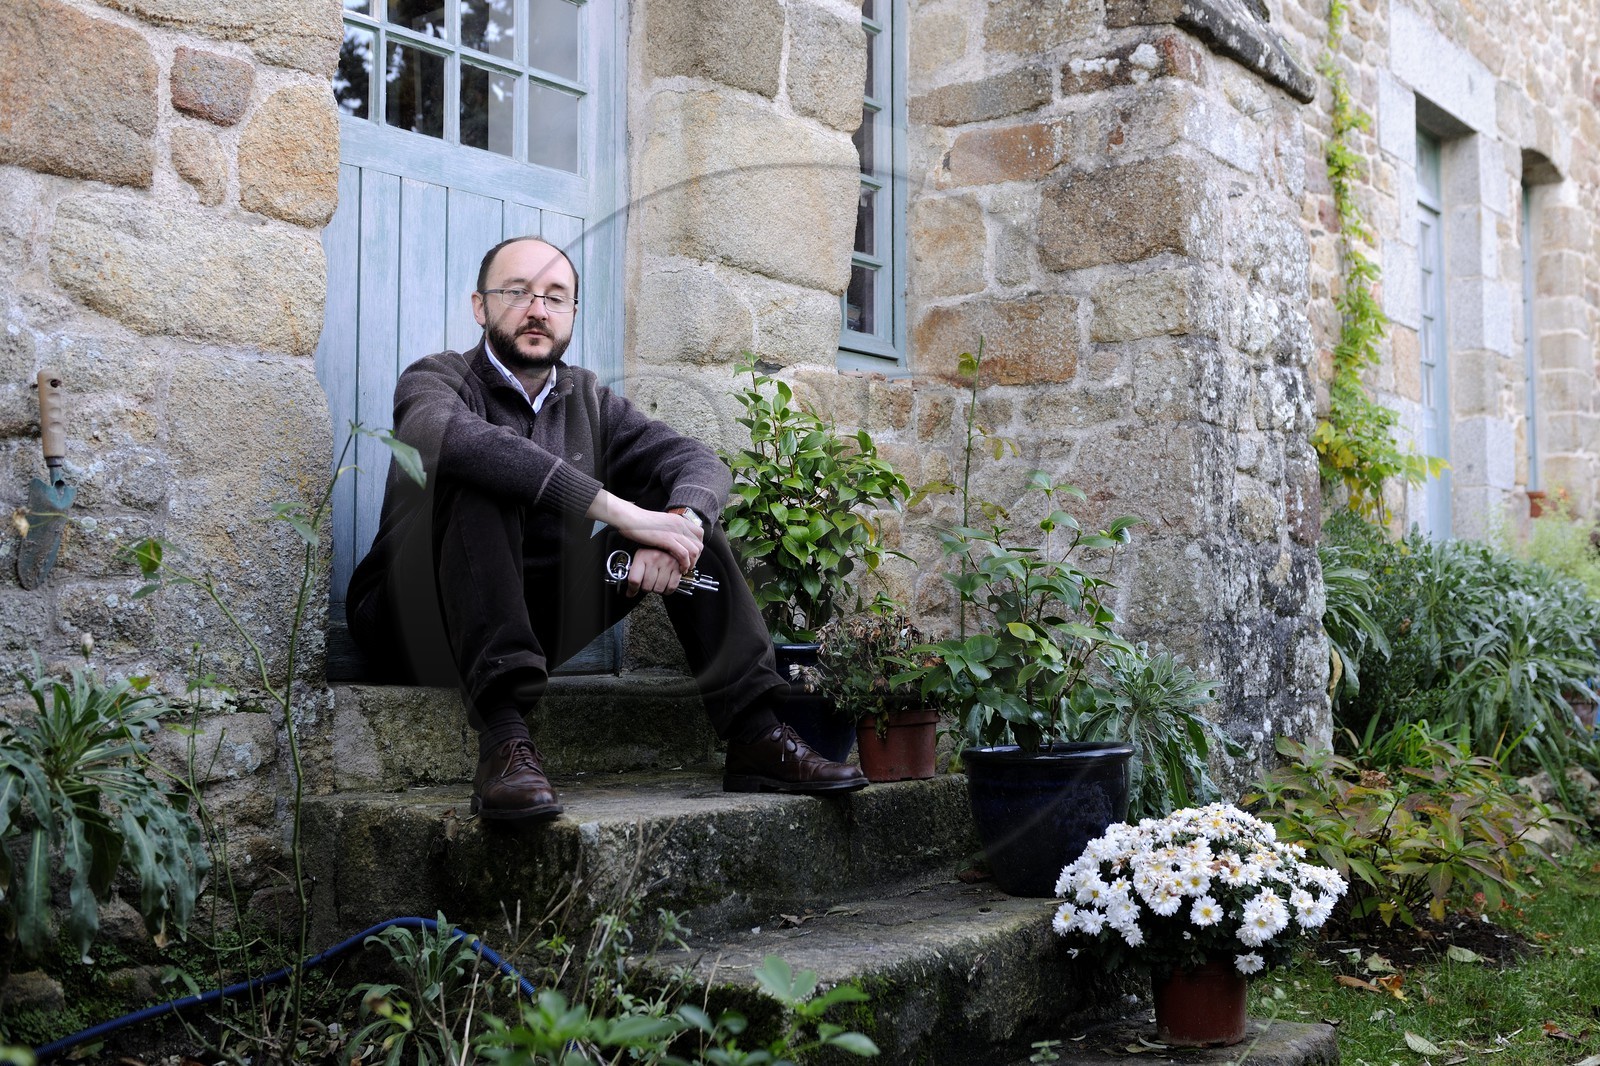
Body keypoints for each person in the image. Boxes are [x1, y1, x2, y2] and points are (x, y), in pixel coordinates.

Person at [346, 236, 868, 823]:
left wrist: (678, 527)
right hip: (412, 626)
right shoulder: (436, 378)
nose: (537, 310)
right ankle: (504, 742)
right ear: (480, 305)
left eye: (555, 297)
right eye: (517, 292)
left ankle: (756, 734)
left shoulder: (589, 400)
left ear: (572, 313)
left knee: (681, 515)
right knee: (484, 474)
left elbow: (699, 462)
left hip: (530, 623)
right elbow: (457, 440)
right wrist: (621, 513)